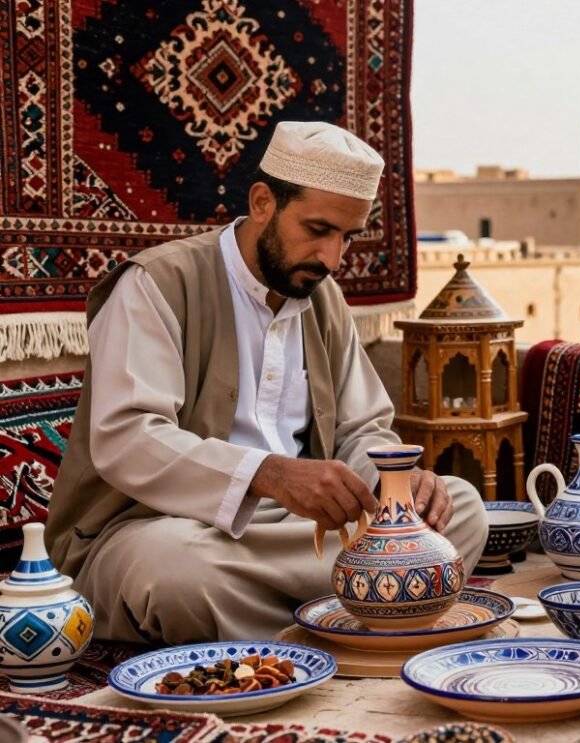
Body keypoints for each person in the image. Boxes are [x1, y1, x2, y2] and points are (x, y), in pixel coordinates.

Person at [46, 121, 488, 644]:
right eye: (319, 229)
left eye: (347, 237)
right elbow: (128, 439)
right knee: (178, 575)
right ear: (262, 203)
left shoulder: (322, 297)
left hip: (297, 531)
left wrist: (394, 484)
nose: (332, 258)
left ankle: (304, 620)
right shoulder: (159, 283)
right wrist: (270, 475)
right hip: (158, 528)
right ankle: (350, 615)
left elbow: (364, 429)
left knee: (459, 510)